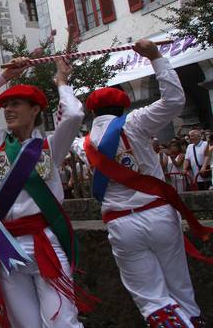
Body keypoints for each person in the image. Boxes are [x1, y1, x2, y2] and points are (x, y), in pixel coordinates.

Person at [77, 39, 206, 327]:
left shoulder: (82, 145)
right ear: (122, 106)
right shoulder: (136, 121)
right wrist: (156, 57)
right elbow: (174, 100)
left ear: (92, 113)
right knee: (180, 290)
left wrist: (62, 83)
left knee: (152, 299)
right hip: (158, 213)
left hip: (122, 224)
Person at [0, 54, 90, 327]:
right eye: (5, 105)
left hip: (45, 243)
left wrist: (62, 81)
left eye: (16, 104)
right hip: (7, 246)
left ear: (35, 110)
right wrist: (5, 76)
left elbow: (75, 113)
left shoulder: (51, 147)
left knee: (62, 321)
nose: (7, 109)